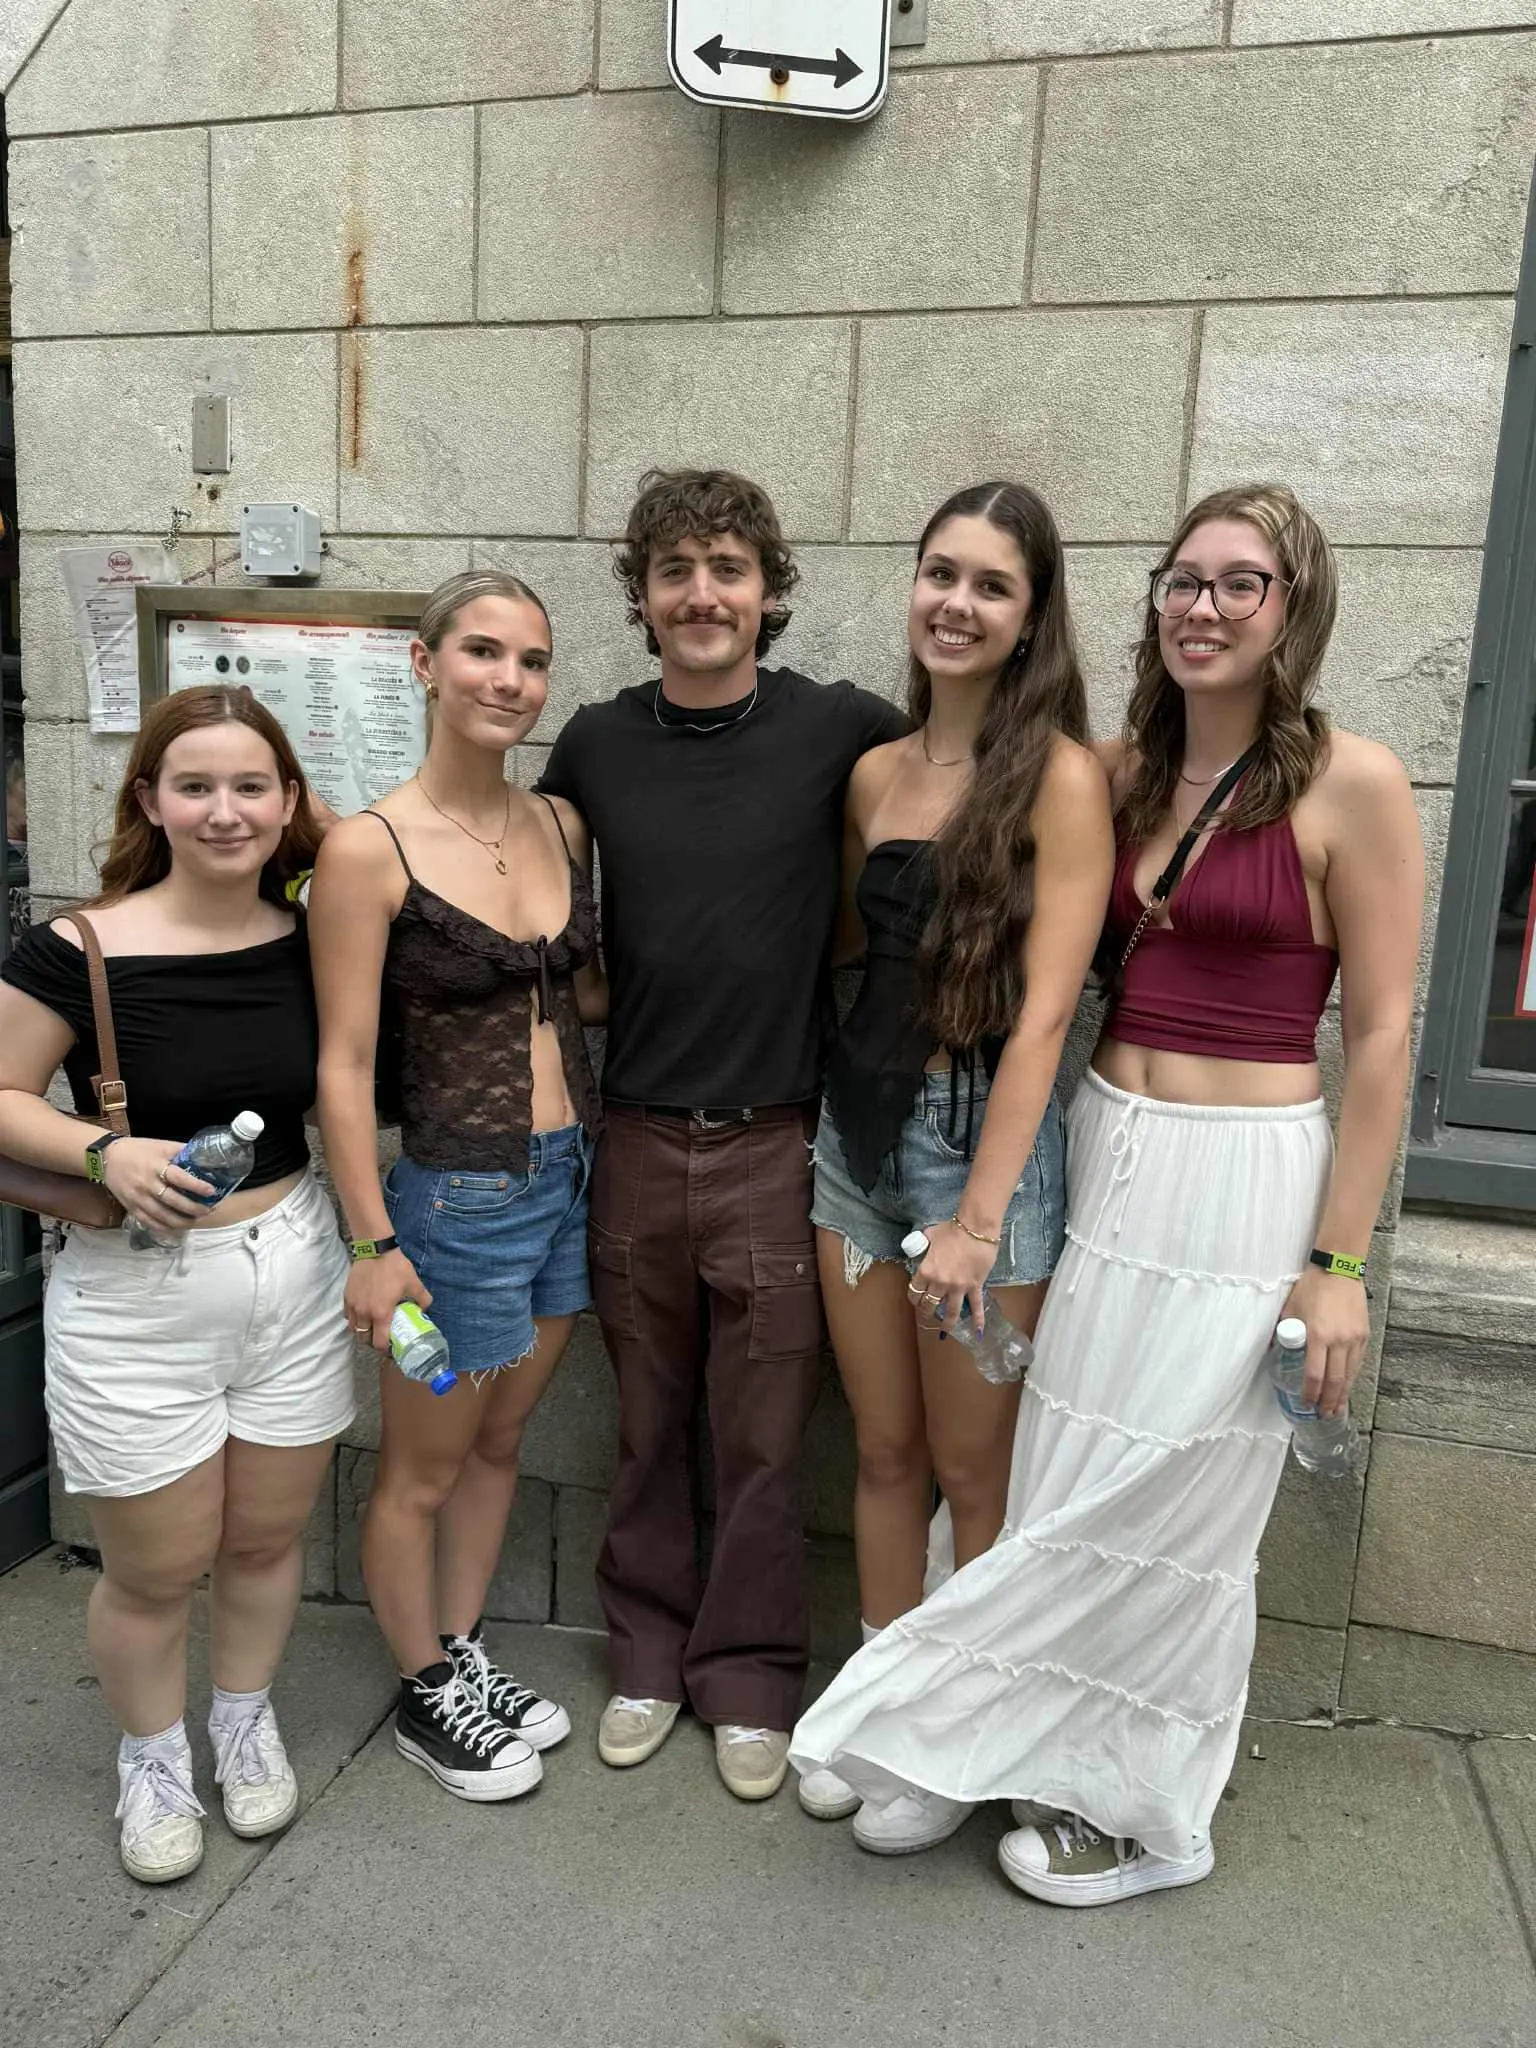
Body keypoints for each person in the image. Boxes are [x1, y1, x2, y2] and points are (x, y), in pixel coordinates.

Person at [790, 482, 1424, 1900]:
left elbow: (1382, 1033)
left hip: (1251, 1176)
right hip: (1114, 1146)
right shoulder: (1121, 771)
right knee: (1076, 1476)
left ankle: (1152, 1813)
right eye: (1182, 581)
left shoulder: (1354, 782)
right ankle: (996, 1740)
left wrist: (1342, 1266)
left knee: (1190, 1492)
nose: (1202, 608)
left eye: (1238, 584)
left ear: (1294, 605)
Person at [537, 468, 907, 1801]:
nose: (703, 594)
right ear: (641, 596)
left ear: (770, 591)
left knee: (762, 1432)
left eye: (729, 568)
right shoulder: (590, 742)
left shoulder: (841, 729)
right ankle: (644, 1656)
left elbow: (903, 860)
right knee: (647, 1420)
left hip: (773, 1140)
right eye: (677, 569)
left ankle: (749, 1677)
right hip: (632, 1134)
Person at [796, 482, 1112, 1847]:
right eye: (940, 574)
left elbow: (1047, 1011)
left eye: (991, 584)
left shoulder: (1062, 777)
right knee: (879, 1449)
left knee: (976, 1478)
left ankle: (957, 1734)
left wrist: (980, 1217)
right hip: (850, 1146)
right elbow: (859, 962)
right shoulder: (877, 770)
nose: (956, 603)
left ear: (1033, 615)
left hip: (982, 1157)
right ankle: (880, 1700)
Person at [0, 686, 355, 1884]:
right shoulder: (77, 946)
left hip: (293, 1265)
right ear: (148, 797)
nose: (224, 810)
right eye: (193, 785)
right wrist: (105, 1149)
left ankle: (241, 1722)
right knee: (155, 1566)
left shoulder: (315, 932)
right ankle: (151, 1759)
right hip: (137, 1292)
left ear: (289, 800)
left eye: (251, 785)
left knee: (262, 1539)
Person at [310, 569, 604, 1804]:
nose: (509, 680)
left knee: (498, 1439)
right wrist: (374, 1243)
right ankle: (426, 1691)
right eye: (482, 652)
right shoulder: (366, 848)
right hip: (446, 1205)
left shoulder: (561, 825)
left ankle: (462, 1647)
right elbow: (342, 1060)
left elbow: (585, 1000)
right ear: (425, 664)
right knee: (423, 1462)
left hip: (566, 1183)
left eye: (531, 661)